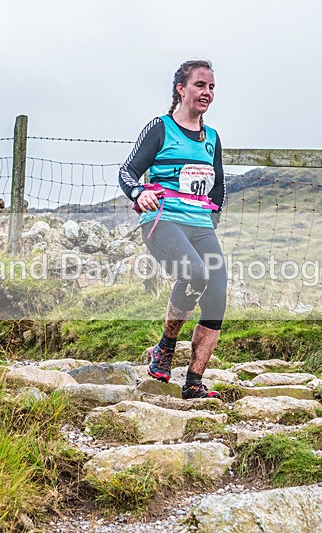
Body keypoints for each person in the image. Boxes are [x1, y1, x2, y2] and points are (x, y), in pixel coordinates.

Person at [118, 59, 226, 400]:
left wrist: (211, 221)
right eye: (199, 85)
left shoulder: (212, 138)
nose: (206, 92)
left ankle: (193, 383)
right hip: (162, 220)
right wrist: (140, 192)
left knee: (217, 295)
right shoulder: (160, 128)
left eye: (211, 87)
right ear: (181, 89)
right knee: (194, 273)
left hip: (199, 224)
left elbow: (218, 188)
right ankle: (165, 347)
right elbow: (128, 171)